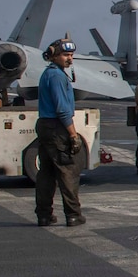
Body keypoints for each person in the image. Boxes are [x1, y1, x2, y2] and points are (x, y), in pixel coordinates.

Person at [35, 37, 85, 227]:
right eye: (65, 55)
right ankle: (73, 215)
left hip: (45, 126)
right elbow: (62, 109)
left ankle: (44, 215)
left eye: (71, 55)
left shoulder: (48, 74)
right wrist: (72, 134)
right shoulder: (56, 76)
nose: (69, 59)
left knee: (46, 173)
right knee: (67, 172)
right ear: (54, 55)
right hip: (57, 128)